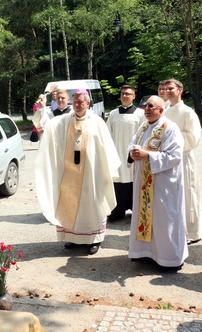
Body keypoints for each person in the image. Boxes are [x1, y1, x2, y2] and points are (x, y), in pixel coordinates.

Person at [35, 89, 121, 255]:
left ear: (88, 103)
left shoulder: (97, 122)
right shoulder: (63, 121)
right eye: (74, 102)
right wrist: (41, 109)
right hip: (69, 173)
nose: (77, 105)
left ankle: (94, 240)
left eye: (81, 102)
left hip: (92, 174)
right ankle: (73, 238)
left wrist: (107, 171)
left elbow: (107, 148)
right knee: (70, 203)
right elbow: (45, 126)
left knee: (92, 204)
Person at [128, 95, 188, 270]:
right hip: (145, 182)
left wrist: (148, 155)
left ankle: (169, 259)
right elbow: (133, 143)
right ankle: (145, 253)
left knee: (164, 220)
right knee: (147, 217)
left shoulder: (170, 128)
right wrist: (132, 152)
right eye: (146, 106)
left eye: (151, 106)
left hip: (164, 184)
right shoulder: (144, 125)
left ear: (161, 110)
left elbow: (175, 156)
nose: (146, 108)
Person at [165, 79, 202, 245]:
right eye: (165, 89)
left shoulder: (187, 112)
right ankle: (176, 230)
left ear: (180, 90)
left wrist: (171, 138)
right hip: (167, 160)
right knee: (172, 197)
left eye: (171, 88)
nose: (168, 91)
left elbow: (193, 138)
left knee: (188, 195)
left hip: (183, 158)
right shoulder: (165, 111)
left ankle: (192, 233)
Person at [106, 85, 145, 222]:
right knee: (117, 181)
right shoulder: (113, 114)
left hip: (133, 155)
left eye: (128, 94)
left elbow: (144, 134)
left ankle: (136, 210)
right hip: (116, 153)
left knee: (134, 181)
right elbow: (107, 134)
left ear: (133, 96)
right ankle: (117, 211)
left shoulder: (140, 114)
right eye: (123, 93)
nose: (125, 96)